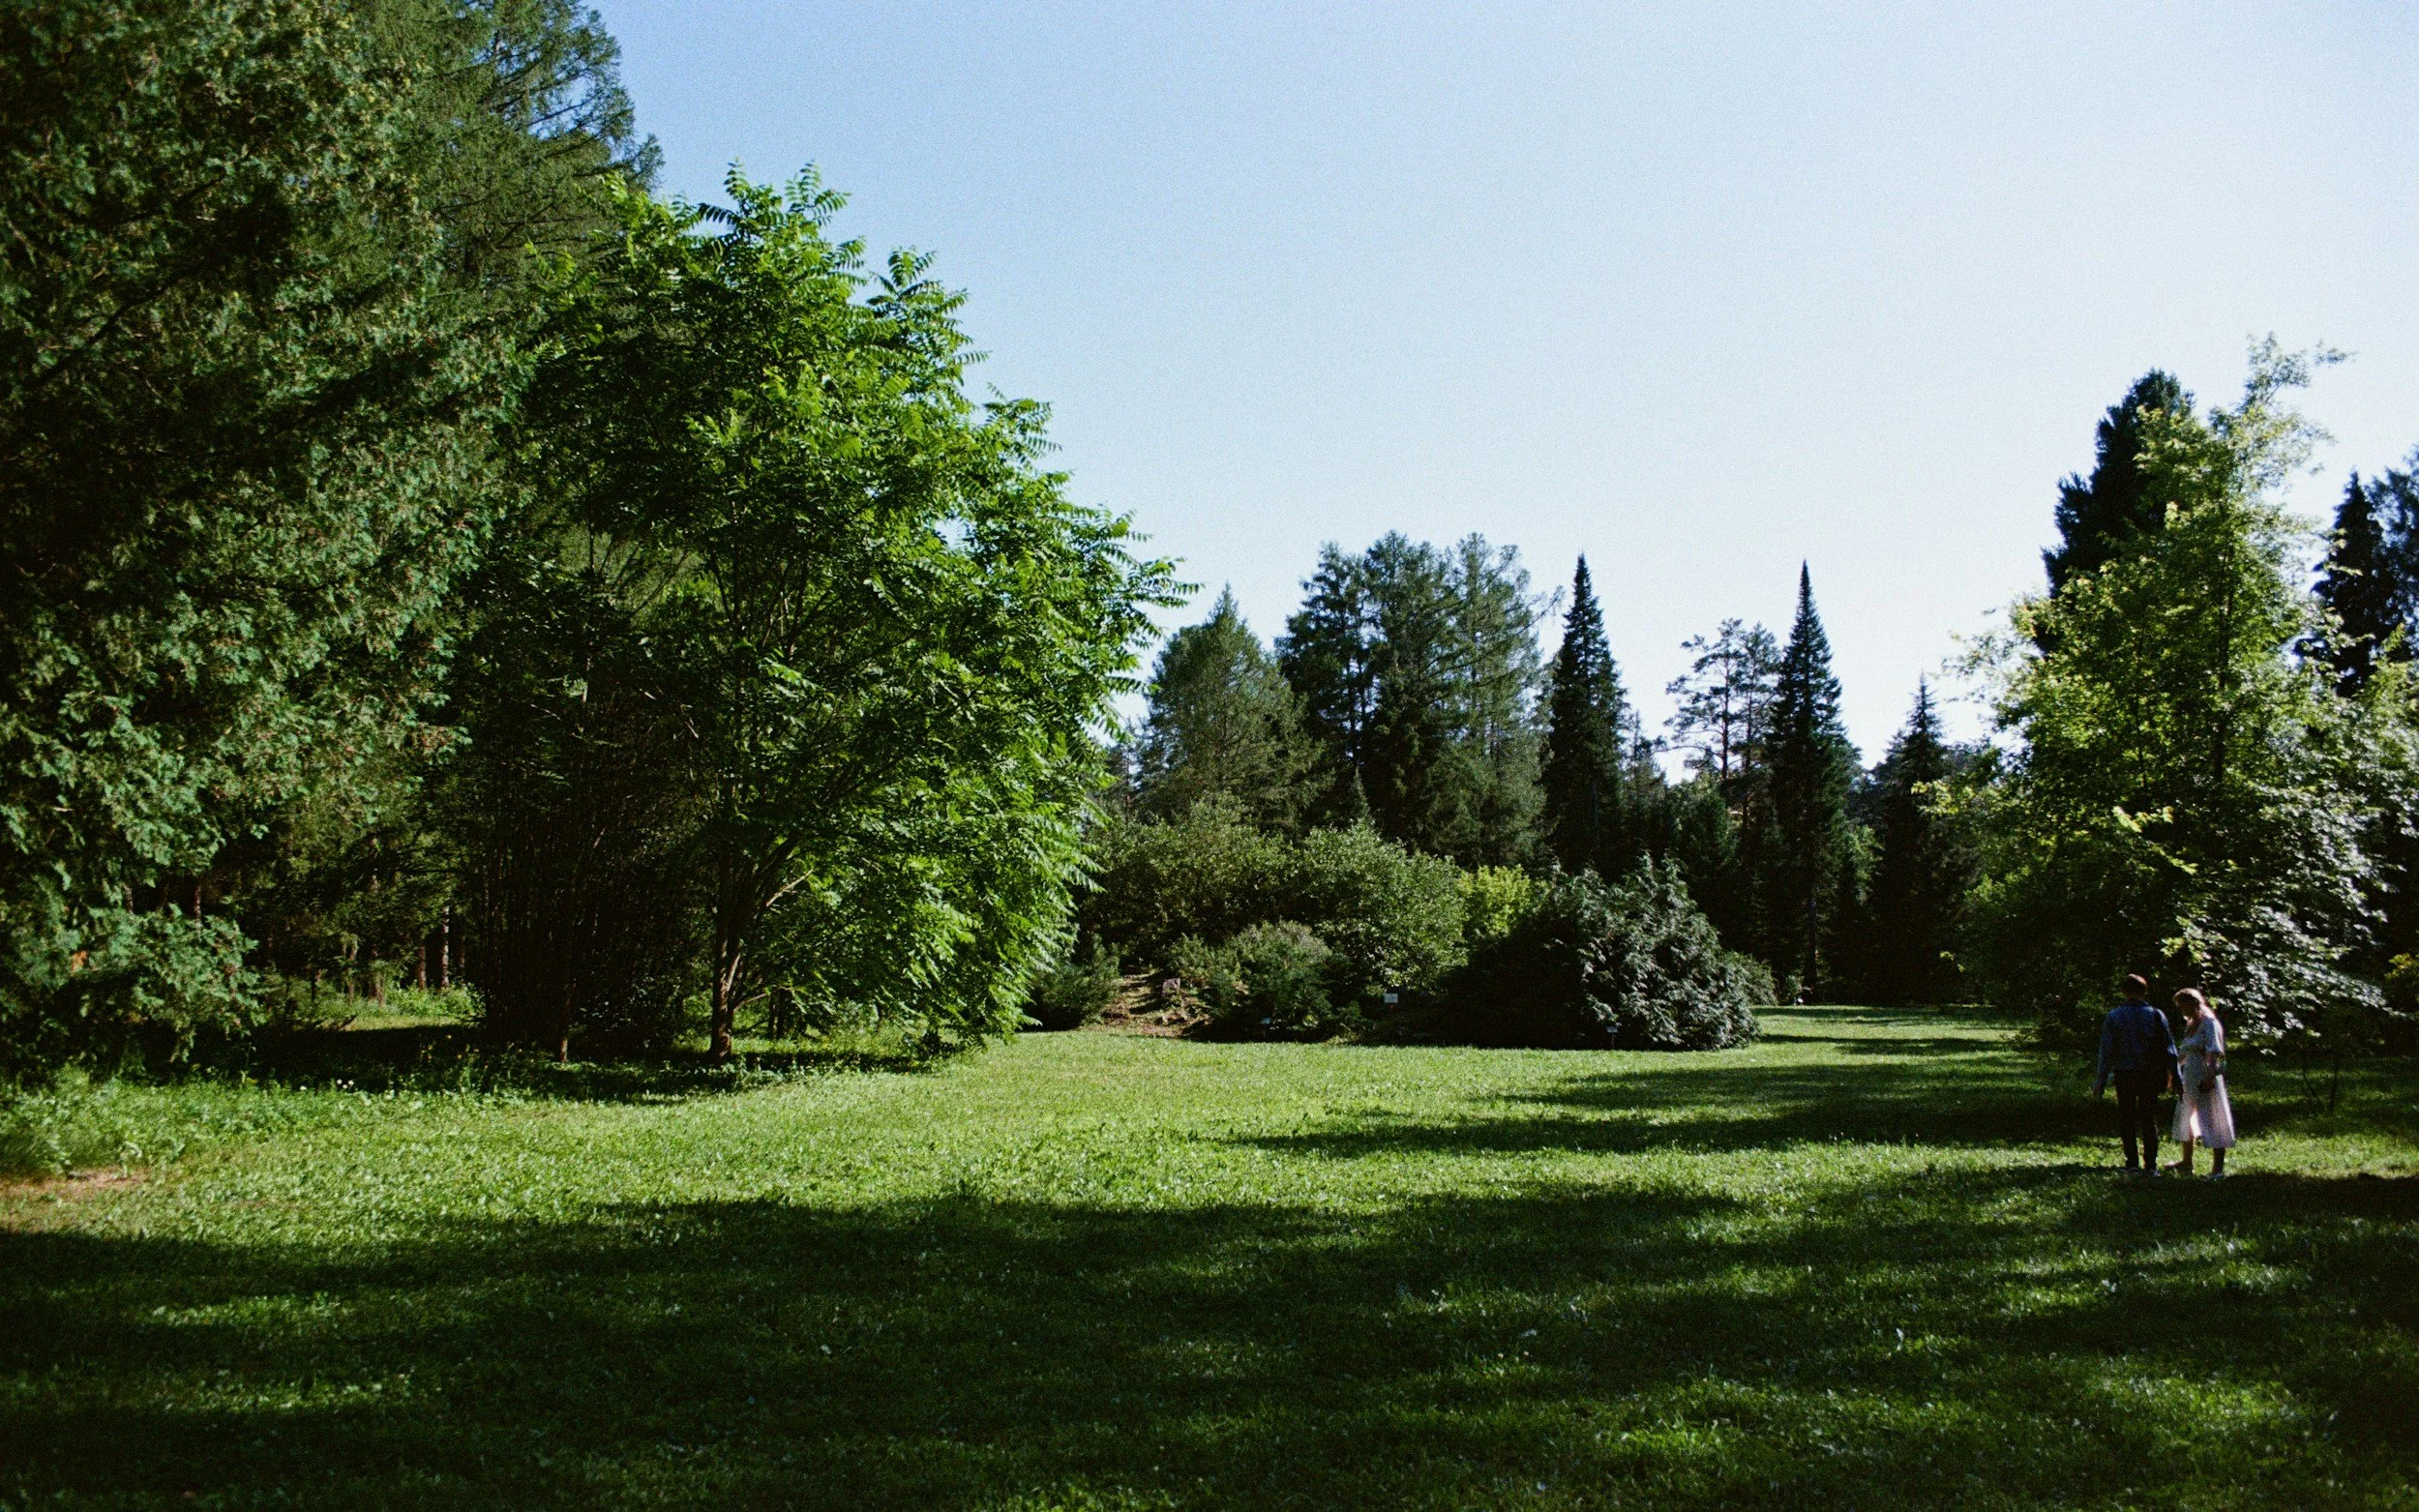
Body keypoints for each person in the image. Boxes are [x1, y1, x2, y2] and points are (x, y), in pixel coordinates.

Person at [2092, 972, 2177, 1174]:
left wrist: (2100, 1081)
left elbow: (2107, 1052)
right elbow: (2170, 1048)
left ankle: (2132, 1163)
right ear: (2145, 991)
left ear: (2124, 992)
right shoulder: (2157, 1015)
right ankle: (2151, 1165)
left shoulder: (2114, 1016)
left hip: (2125, 1073)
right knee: (2149, 1118)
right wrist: (2176, 1077)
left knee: (2127, 1118)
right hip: (2150, 1073)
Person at [2166, 989, 2234, 1179]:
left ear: (2193, 1002)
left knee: (2212, 1117)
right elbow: (2185, 1051)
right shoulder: (2191, 1023)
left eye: (2182, 1005)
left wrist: (2210, 1077)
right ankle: (2186, 1162)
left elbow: (2214, 1051)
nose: (2180, 1010)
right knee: (2185, 1115)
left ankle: (2217, 1169)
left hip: (2205, 1074)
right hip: (2190, 1074)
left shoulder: (2209, 1022)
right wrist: (2173, 1073)